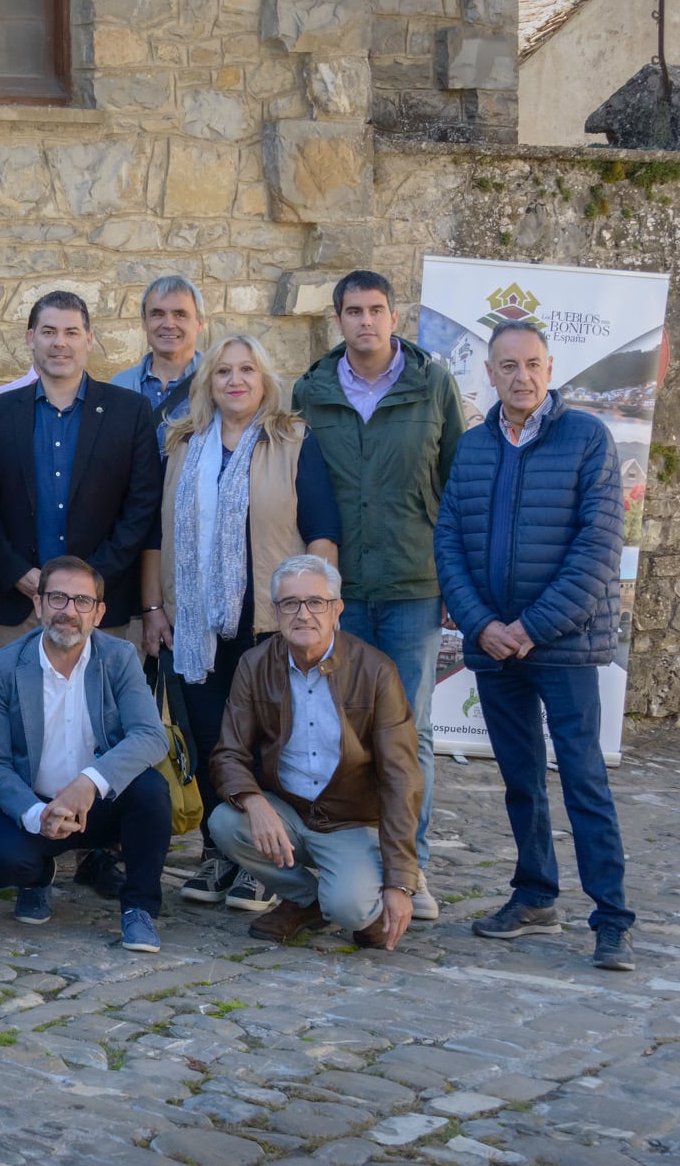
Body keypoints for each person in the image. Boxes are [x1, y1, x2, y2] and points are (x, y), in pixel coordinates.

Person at [435, 319, 635, 972]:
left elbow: (596, 550)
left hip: (564, 645)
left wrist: (528, 626)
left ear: (549, 368)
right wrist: (482, 625)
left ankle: (610, 917)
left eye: (531, 364)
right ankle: (533, 893)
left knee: (582, 777)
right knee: (519, 777)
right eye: (507, 365)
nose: (520, 376)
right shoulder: (471, 447)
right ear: (488, 374)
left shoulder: (587, 439)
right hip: (492, 644)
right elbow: (449, 545)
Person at [139, 335, 341, 914]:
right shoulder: (181, 446)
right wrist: (154, 609)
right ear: (207, 382)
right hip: (193, 626)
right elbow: (155, 534)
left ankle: (265, 861)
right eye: (223, 370)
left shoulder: (293, 441)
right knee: (208, 739)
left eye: (247, 369)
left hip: (272, 626)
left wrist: (318, 613)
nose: (235, 379)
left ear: (264, 378)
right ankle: (218, 850)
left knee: (268, 743)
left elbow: (322, 530)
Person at [293, 270, 465, 918]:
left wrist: (452, 578)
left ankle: (407, 868)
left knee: (406, 731)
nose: (364, 321)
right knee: (334, 728)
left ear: (395, 316)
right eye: (352, 311)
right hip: (337, 593)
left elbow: (455, 486)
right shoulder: (309, 391)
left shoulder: (432, 385)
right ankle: (341, 860)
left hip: (412, 585)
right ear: (336, 319)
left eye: (375, 310)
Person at [206, 555, 420, 951]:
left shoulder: (376, 671)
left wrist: (399, 881)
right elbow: (228, 754)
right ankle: (304, 901)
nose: (303, 614)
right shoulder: (254, 665)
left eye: (316, 602)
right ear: (276, 612)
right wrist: (254, 803)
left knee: (353, 910)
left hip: (350, 821)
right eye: (290, 603)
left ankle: (352, 891)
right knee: (224, 822)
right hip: (289, 812)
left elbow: (401, 779)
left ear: (337, 609)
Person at [0, 557, 170, 948]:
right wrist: (34, 813)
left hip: (101, 803)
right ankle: (37, 877)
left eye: (82, 601)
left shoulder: (119, 658)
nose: (69, 611)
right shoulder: (5, 666)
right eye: (58, 598)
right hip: (37, 804)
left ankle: (139, 908)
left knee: (151, 791)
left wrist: (89, 782)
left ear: (99, 613)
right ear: (39, 604)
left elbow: (150, 735)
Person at [0, 290, 162, 650]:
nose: (59, 343)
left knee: (97, 707)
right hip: (21, 604)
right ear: (31, 338)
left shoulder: (130, 412)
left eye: (71, 332)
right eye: (48, 332)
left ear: (89, 340)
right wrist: (16, 572)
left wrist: (87, 583)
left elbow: (141, 507)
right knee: (21, 706)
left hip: (100, 609)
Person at [112, 274, 205, 454]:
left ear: (200, 323)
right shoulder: (119, 386)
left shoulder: (218, 385)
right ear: (144, 323)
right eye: (157, 314)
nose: (169, 324)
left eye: (180, 314)